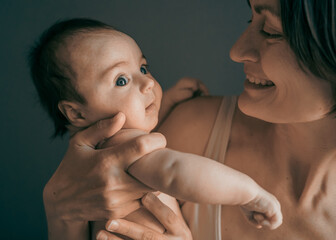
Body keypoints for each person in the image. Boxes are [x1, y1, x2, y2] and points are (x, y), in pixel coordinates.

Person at [39, 0, 336, 239]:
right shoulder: (127, 146)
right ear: (76, 113)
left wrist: (163, 104)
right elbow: (175, 170)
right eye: (120, 81)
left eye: (143, 69)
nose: (148, 85)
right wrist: (249, 193)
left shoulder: (114, 149)